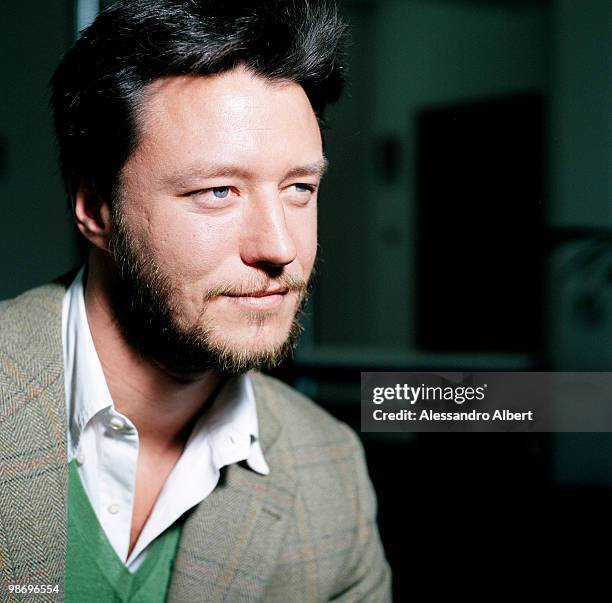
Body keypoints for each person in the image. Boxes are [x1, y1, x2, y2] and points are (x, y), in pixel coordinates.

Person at [0, 0, 391, 601]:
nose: (280, 247)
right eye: (217, 191)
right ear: (95, 208)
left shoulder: (329, 473)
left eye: (299, 189)